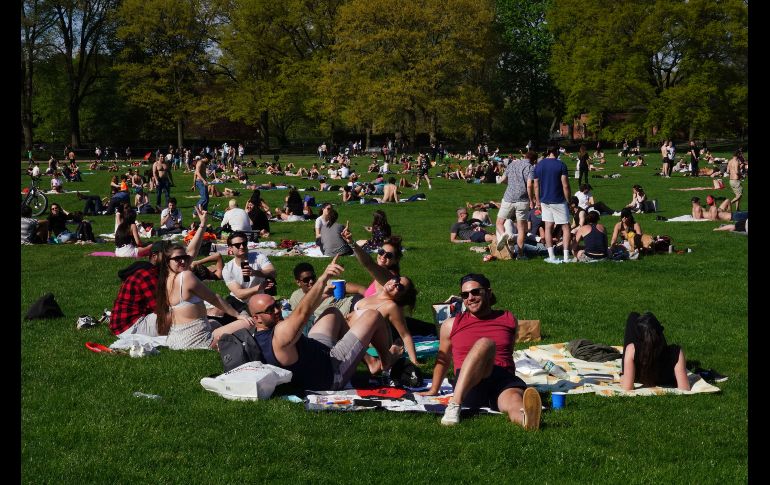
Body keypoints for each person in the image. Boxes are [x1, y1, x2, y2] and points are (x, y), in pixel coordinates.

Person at [247, 257, 402, 390]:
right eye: (270, 310)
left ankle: (370, 361)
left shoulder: (259, 334)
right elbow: (302, 313)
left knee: (332, 312)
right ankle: (386, 360)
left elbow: (299, 314)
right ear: (257, 318)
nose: (277, 311)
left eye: (276, 305)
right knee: (373, 315)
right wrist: (322, 279)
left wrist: (322, 297)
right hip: (331, 370)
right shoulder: (280, 335)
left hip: (316, 350)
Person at [419, 273, 542, 429]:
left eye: (475, 292)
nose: (470, 297)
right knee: (485, 344)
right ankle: (454, 405)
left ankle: (526, 420)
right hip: (469, 383)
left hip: (502, 380)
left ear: (488, 293)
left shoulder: (508, 318)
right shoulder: (451, 324)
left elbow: (507, 353)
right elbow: (443, 359)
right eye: (465, 295)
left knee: (514, 402)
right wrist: (433, 389)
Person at [109, 207, 210, 337]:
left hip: (143, 318)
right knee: (186, 311)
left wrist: (202, 225)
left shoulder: (161, 270)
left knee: (192, 308)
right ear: (155, 256)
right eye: (166, 254)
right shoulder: (147, 274)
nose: (171, 257)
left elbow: (189, 253)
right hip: (129, 327)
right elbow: (162, 309)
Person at [155, 243, 253, 350]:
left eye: (185, 257)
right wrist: (237, 315)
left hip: (176, 339)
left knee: (214, 322)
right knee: (249, 323)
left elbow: (193, 250)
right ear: (167, 261)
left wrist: (202, 227)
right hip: (196, 340)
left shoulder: (166, 280)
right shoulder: (185, 276)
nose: (183, 261)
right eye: (178, 259)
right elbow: (214, 298)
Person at [621, 312, 690, 391]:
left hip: (637, 376)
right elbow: (685, 388)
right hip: (662, 378)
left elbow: (627, 388)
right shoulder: (676, 352)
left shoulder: (632, 350)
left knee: (633, 316)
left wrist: (623, 378)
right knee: (649, 324)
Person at [287, 262, 357, 335]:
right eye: (306, 280)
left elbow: (359, 289)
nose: (311, 281)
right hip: (333, 323)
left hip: (350, 306)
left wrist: (369, 294)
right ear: (298, 282)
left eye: (313, 277)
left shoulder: (326, 284)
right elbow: (297, 320)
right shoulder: (296, 297)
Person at [533, 146, 573, 262]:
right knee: (566, 227)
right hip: (559, 200)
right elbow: (565, 185)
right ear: (556, 152)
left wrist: (537, 201)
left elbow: (536, 185)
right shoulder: (561, 165)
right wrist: (569, 200)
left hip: (545, 200)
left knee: (548, 228)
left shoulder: (539, 165)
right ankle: (566, 257)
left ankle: (551, 257)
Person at [221, 231, 277, 315]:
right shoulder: (228, 268)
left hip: (260, 299)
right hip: (238, 302)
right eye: (237, 245)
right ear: (230, 248)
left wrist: (255, 272)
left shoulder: (258, 256)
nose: (242, 246)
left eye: (244, 243)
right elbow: (239, 294)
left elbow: (272, 272)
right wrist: (259, 287)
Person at [495, 150, 536, 259]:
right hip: (523, 200)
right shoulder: (530, 167)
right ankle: (520, 254)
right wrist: (532, 200)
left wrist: (511, 185)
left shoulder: (512, 164)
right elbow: (529, 186)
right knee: (521, 228)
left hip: (509, 198)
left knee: (499, 222)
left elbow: (502, 180)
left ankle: (504, 235)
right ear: (534, 160)